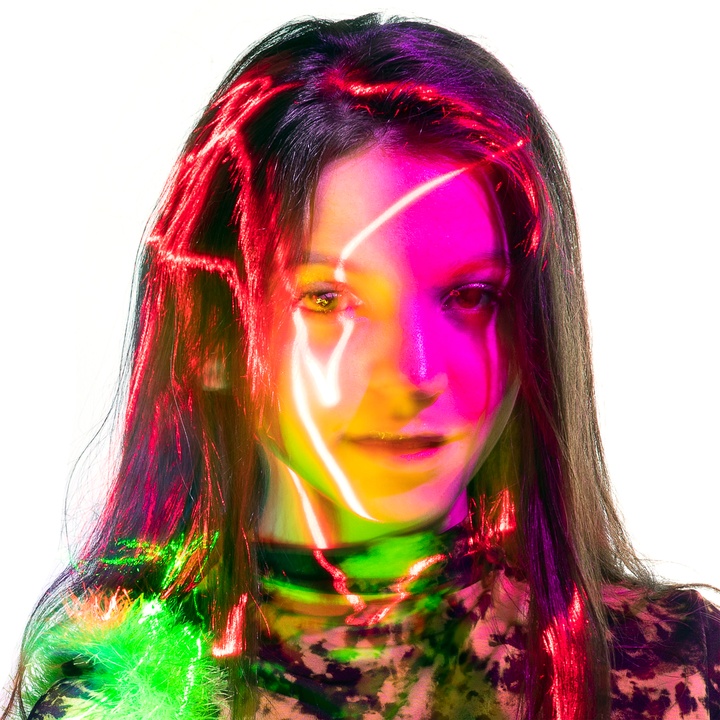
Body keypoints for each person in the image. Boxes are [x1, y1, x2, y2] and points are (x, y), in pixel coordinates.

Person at [4, 13, 719, 720]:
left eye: (471, 296)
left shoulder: (670, 674)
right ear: (211, 337)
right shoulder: (111, 700)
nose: (414, 371)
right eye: (328, 300)